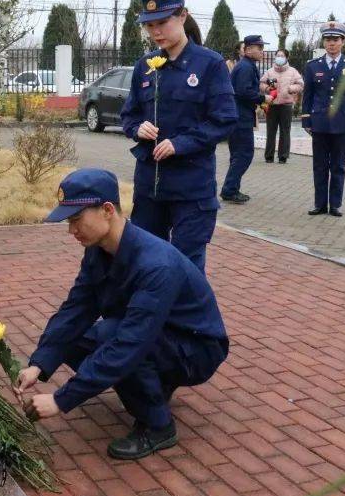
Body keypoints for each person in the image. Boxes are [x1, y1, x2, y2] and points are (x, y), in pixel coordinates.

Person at [18, 168, 230, 460]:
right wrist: (39, 364)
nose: (71, 230)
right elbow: (76, 308)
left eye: (76, 220)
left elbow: (131, 341)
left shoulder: (156, 265)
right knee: (77, 340)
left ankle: (158, 426)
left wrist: (61, 400)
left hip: (196, 350)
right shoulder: (99, 249)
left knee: (112, 339)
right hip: (159, 335)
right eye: (69, 222)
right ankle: (154, 386)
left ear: (107, 210)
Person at [119, 0, 237, 272]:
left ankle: (187, 318)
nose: (156, 31)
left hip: (191, 189)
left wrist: (180, 143)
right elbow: (129, 115)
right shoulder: (145, 66)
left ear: (183, 16)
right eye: (150, 25)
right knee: (147, 267)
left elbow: (224, 119)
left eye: (163, 22)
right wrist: (138, 128)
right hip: (150, 190)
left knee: (186, 271)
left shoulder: (210, 64)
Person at [301, 21, 345, 217]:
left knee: (338, 165)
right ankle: (320, 204)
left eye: (335, 39)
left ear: (343, 41)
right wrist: (306, 119)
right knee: (319, 166)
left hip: (341, 123)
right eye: (328, 39)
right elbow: (308, 95)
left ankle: (335, 204)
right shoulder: (313, 66)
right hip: (319, 123)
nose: (331, 43)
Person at [220, 35, 268, 203]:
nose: (262, 51)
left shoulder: (246, 66)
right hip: (240, 118)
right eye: (259, 48)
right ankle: (229, 189)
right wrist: (263, 98)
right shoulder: (246, 67)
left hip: (239, 115)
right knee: (244, 155)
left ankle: (232, 189)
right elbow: (243, 91)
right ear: (248, 49)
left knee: (238, 155)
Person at [261, 50, 304, 163]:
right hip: (272, 104)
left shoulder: (293, 71)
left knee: (285, 131)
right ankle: (269, 156)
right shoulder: (269, 72)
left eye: (282, 56)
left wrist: (291, 88)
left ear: (286, 58)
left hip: (286, 105)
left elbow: (300, 84)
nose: (279, 57)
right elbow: (261, 83)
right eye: (278, 56)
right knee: (271, 131)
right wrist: (267, 88)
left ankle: (283, 156)